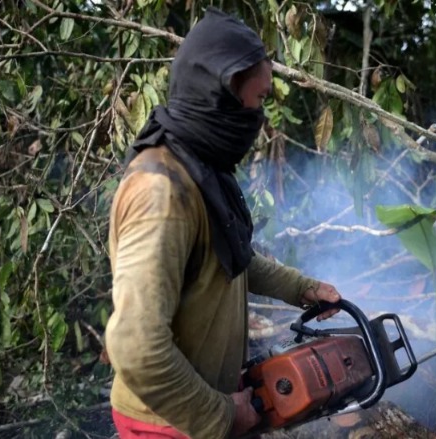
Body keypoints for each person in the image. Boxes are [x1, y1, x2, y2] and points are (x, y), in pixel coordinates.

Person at [104, 7, 343, 439]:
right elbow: (136, 348)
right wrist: (222, 415)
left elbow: (229, 260)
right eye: (260, 98)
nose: (260, 115)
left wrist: (300, 287)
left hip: (198, 409)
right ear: (225, 91)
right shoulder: (162, 192)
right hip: (168, 423)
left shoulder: (199, 169)